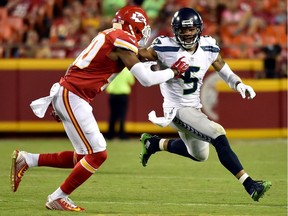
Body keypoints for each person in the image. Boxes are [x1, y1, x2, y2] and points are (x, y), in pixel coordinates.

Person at [10, 5, 189, 212]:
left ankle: (28, 159)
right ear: (135, 25)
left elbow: (140, 54)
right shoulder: (121, 38)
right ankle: (58, 197)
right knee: (98, 155)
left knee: (83, 157)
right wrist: (174, 72)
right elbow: (146, 79)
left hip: (70, 94)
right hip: (73, 95)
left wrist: (161, 52)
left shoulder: (112, 36)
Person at [138, 8, 272, 202]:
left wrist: (239, 83)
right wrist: (138, 43)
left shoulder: (208, 46)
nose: (187, 33)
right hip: (175, 110)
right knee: (217, 133)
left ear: (198, 29)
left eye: (191, 29)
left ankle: (154, 144)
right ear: (175, 31)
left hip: (194, 108)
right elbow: (139, 56)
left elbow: (221, 66)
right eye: (182, 30)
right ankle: (250, 184)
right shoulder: (164, 46)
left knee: (199, 155)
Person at [106, 67, 135, 139]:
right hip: (123, 95)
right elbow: (132, 82)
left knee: (113, 115)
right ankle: (121, 135)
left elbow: (106, 80)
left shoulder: (112, 69)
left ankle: (110, 135)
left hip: (112, 94)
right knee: (122, 115)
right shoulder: (126, 71)